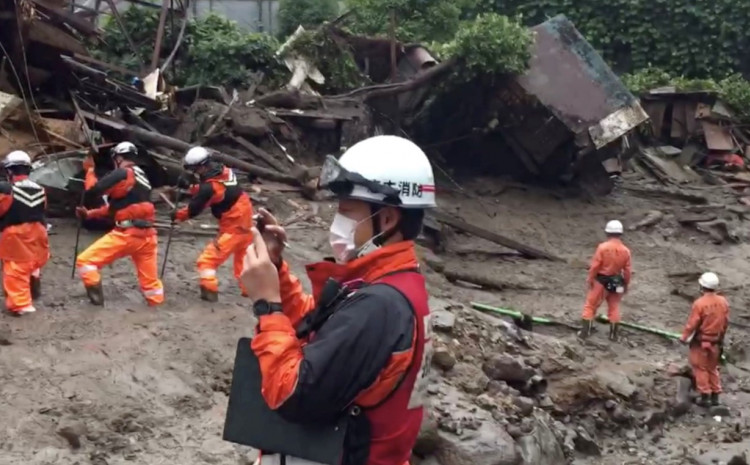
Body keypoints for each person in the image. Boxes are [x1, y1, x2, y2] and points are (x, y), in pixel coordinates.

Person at [239, 135, 435, 465]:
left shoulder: (379, 307)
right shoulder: (387, 283)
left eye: (346, 212)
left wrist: (267, 306)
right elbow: (317, 328)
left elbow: (292, 396)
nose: (336, 223)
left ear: (386, 220)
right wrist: (276, 271)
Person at [75, 141, 164, 306]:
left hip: (126, 234)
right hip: (148, 237)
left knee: (85, 262)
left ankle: (96, 302)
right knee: (151, 285)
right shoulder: (142, 177)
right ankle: (156, 305)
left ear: (119, 157)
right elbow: (117, 208)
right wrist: (90, 214)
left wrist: (90, 170)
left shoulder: (122, 173)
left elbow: (93, 191)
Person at [170, 146, 254, 302]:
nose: (193, 173)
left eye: (194, 170)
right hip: (247, 222)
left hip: (233, 228)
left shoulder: (209, 187)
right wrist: (191, 188)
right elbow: (214, 190)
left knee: (207, 261)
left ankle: (210, 292)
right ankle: (251, 290)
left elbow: (194, 209)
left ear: (200, 167)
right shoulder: (224, 170)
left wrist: (177, 215)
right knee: (242, 261)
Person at [0, 150, 49, 315]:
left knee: (15, 269)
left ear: (10, 171)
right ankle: (33, 278)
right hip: (39, 232)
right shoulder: (41, 189)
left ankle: (21, 305)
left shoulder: (7, 190)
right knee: (33, 261)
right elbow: (42, 210)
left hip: (16, 234)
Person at [680, 272, 729, 407]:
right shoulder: (723, 302)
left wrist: (684, 337)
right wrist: (721, 338)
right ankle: (715, 395)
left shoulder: (700, 303)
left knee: (700, 368)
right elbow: (725, 322)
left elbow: (692, 323)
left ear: (702, 286)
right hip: (716, 342)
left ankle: (705, 396)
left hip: (701, 342)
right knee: (712, 368)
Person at [580, 220, 632, 341]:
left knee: (590, 306)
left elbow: (595, 266)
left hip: (601, 280)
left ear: (607, 232)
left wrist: (590, 278)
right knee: (614, 307)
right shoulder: (626, 251)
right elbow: (628, 271)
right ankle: (613, 335)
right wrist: (625, 285)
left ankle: (585, 333)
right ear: (620, 233)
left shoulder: (602, 247)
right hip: (617, 281)